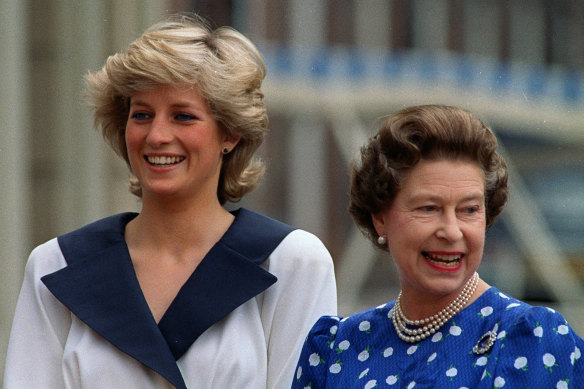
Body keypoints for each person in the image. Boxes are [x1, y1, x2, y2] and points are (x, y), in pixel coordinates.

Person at [4, 14, 336, 389]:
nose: (157, 135)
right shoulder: (55, 265)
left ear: (229, 133)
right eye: (142, 114)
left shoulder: (293, 263)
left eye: (183, 116)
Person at [292, 104, 583, 388]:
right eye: (429, 208)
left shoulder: (529, 339)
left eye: (469, 210)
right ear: (380, 218)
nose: (452, 231)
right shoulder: (336, 348)